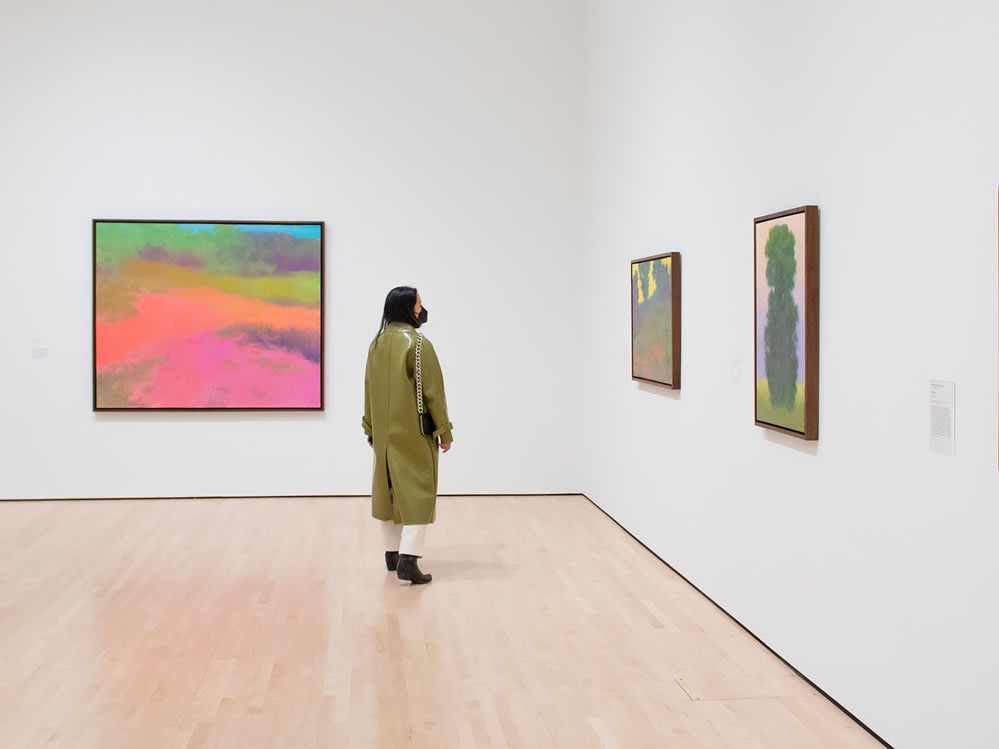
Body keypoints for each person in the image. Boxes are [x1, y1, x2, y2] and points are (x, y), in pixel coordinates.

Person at [363, 286, 453, 584]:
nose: (421, 309)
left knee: (388, 490)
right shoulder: (418, 344)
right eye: (419, 304)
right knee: (418, 492)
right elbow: (433, 392)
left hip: (384, 433)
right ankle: (409, 559)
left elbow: (369, 389)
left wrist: (370, 427)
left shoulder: (376, 343)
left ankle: (392, 554)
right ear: (407, 309)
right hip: (414, 431)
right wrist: (444, 430)